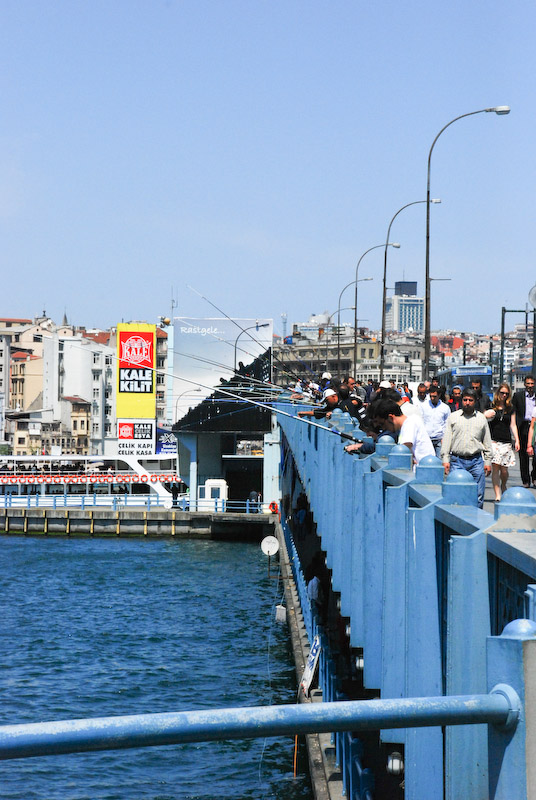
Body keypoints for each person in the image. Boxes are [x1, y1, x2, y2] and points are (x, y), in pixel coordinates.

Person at [441, 388, 492, 509]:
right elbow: (447, 440)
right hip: (457, 461)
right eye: (465, 400)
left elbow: (487, 441)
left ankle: (476, 520)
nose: (467, 403)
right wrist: (445, 460)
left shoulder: (481, 418)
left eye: (470, 400)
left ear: (475, 401)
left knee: (478, 495)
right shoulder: (453, 417)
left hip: (476, 462)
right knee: (455, 493)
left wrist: (488, 462)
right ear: (461, 400)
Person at [368, 398, 435, 465]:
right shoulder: (407, 424)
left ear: (391, 418)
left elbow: (403, 450)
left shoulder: (410, 423)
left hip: (422, 470)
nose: (383, 428)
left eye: (382, 424)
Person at [484, 383, 520, 501]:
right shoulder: (491, 406)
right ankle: (498, 494)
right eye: (502, 393)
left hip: (506, 441)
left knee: (504, 470)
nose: (504, 395)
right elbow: (483, 420)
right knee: (495, 467)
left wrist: (517, 440)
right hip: (493, 441)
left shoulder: (510, 408)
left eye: (506, 393)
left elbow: (513, 425)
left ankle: (503, 484)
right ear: (497, 393)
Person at [512, 375, 536, 488]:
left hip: (534, 426)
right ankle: (525, 480)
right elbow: (513, 411)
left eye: (532, 384)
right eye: (528, 384)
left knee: (534, 454)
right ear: (525, 384)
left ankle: (534, 476)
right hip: (523, 426)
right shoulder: (518, 396)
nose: (530, 386)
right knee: (523, 455)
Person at [421, 386, 450, 456]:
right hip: (427, 439)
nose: (432, 398)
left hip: (440, 439)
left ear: (439, 395)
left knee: (439, 461)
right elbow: (420, 422)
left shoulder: (445, 408)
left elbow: (447, 424)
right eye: (431, 396)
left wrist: (445, 438)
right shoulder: (423, 406)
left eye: (434, 396)